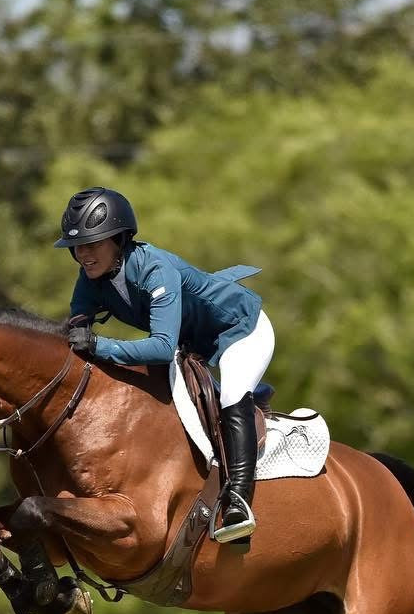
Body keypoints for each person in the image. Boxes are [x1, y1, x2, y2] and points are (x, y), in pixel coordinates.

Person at [56, 186, 273, 544]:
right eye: (77, 247)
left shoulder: (156, 269)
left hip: (240, 330)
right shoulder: (90, 278)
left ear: (119, 240)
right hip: (194, 346)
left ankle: (238, 501)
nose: (83, 254)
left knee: (232, 394)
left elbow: (160, 348)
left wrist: (98, 344)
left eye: (92, 244)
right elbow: (76, 327)